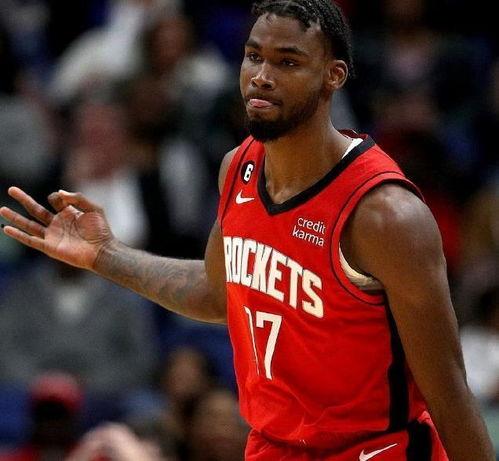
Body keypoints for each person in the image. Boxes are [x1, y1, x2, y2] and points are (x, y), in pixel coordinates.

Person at [0, 0, 495, 459]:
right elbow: (217, 293)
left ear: (333, 76)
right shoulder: (238, 169)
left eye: (287, 62)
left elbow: (449, 393)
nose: (261, 76)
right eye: (253, 56)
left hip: (372, 449)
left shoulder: (385, 215)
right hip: (274, 446)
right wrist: (105, 254)